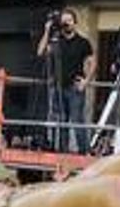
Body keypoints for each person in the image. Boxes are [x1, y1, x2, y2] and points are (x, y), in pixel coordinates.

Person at [37, 9, 95, 155]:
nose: (66, 23)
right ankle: (63, 153)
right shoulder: (56, 41)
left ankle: (84, 153)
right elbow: (40, 51)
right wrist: (47, 31)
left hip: (75, 87)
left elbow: (92, 62)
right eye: (64, 20)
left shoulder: (83, 42)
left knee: (77, 120)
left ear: (75, 23)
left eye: (69, 20)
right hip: (58, 87)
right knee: (62, 121)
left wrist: (86, 81)